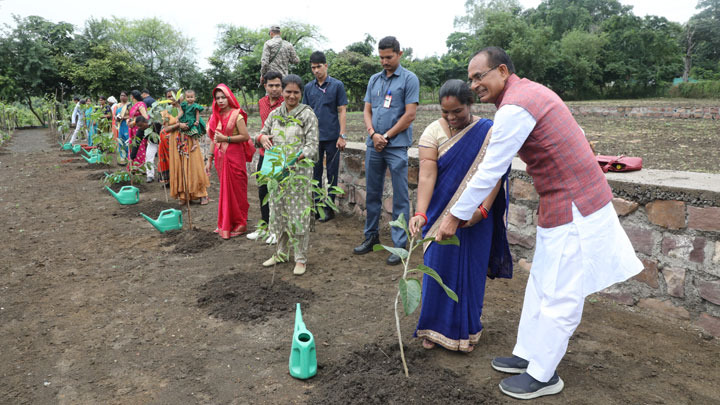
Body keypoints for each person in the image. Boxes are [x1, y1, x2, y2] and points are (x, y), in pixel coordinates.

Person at [435, 47, 643, 400]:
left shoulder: (516, 106)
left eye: (479, 76)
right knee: (542, 283)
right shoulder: (523, 94)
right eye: (470, 78)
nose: (474, 85)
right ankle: (527, 355)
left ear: (502, 71)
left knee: (561, 293)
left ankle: (545, 374)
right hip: (559, 204)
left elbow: (491, 169)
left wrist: (453, 216)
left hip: (575, 206)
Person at [408, 79, 512, 353]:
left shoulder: (489, 132)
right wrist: (420, 212)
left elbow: (495, 175)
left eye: (458, 112)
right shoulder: (432, 132)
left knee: (470, 272)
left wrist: (483, 210)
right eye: (446, 113)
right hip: (440, 213)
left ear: (471, 105)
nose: (452, 118)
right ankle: (433, 328)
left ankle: (466, 331)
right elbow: (427, 175)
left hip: (477, 217)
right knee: (437, 269)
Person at [353, 36, 420, 266]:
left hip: (397, 146)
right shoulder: (374, 80)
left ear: (399, 54)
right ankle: (370, 236)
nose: (384, 61)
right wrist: (373, 134)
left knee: (400, 196)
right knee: (372, 192)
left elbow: (410, 114)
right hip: (374, 144)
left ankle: (400, 245)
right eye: (381, 57)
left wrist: (387, 136)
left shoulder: (410, 79)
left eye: (389, 57)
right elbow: (367, 110)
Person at [255, 74, 319, 276]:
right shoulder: (275, 114)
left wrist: (296, 158)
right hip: (275, 172)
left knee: (297, 214)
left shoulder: (307, 115)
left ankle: (300, 258)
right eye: (288, 91)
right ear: (282, 92)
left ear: (301, 93)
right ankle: (281, 253)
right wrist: (262, 137)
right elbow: (261, 134)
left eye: (296, 92)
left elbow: (312, 146)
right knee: (278, 211)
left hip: (298, 174)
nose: (292, 96)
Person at [303, 51, 348, 223]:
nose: (316, 71)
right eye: (313, 68)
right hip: (314, 138)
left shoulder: (337, 85)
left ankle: (329, 208)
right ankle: (317, 207)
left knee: (332, 174)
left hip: (332, 137)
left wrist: (342, 135)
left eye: (319, 67)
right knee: (315, 173)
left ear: (326, 65)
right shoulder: (308, 88)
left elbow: (342, 110)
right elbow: (306, 113)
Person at [205, 84, 255, 240]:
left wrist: (225, 139)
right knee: (226, 190)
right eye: (217, 98)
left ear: (229, 98)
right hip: (221, 158)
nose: (220, 101)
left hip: (235, 156)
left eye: (223, 97)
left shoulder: (236, 115)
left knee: (237, 189)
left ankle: (241, 223)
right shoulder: (215, 116)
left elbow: (245, 136)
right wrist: (209, 159)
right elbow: (214, 139)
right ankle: (226, 222)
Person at [247, 71, 284, 244]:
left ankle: (277, 230)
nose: (274, 89)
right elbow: (263, 126)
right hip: (264, 153)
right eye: (271, 85)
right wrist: (260, 137)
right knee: (263, 191)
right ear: (265, 86)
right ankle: (264, 227)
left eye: (278, 85)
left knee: (277, 192)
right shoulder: (262, 102)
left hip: (280, 153)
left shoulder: (286, 103)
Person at [170, 89, 210, 205]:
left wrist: (193, 125)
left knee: (195, 167)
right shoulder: (168, 112)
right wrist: (178, 124)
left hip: (190, 141)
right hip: (177, 144)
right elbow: (166, 129)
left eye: (173, 97)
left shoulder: (190, 108)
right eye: (169, 97)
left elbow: (198, 123)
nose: (172, 99)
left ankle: (202, 194)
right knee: (181, 169)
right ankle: (184, 196)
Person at [128, 90, 150, 173]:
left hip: (139, 128)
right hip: (133, 129)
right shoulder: (135, 105)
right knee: (134, 147)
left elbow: (145, 117)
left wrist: (134, 122)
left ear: (132, 97)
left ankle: (140, 167)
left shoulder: (141, 104)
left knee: (139, 147)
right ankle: (134, 166)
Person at [113, 91, 130, 164]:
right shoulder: (118, 105)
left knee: (127, 140)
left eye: (124, 95)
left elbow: (132, 115)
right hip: (120, 125)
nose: (122, 97)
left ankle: (129, 157)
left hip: (126, 124)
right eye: (121, 95)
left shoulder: (129, 105)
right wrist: (116, 118)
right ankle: (122, 157)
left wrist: (124, 117)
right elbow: (114, 114)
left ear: (127, 97)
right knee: (121, 141)